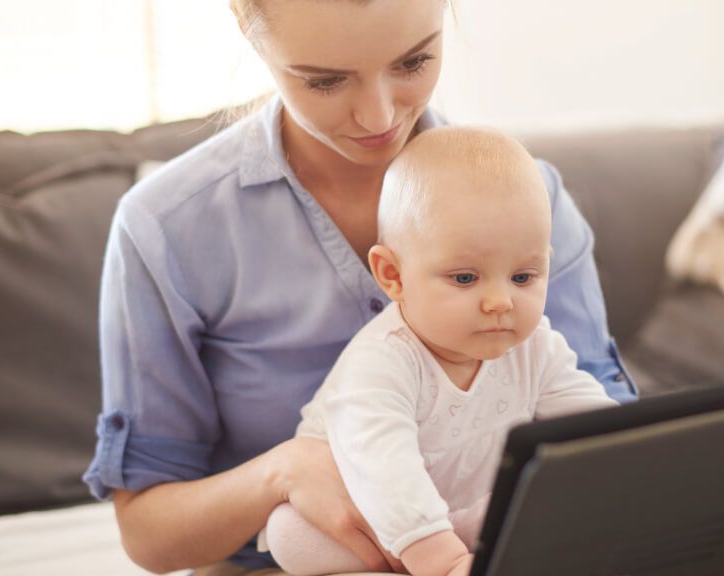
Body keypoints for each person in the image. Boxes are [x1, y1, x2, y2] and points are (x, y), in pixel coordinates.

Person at [83, 0, 636, 573]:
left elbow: (606, 443)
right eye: (324, 81)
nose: (378, 117)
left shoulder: (531, 204)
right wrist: (286, 470)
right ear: (247, 28)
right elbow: (151, 538)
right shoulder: (168, 228)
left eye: (414, 62)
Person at [261, 126, 619, 576]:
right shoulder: (383, 363)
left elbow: (596, 425)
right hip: (363, 511)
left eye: (524, 277)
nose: (500, 302)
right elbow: (384, 468)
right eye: (466, 278)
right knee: (292, 535)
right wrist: (442, 562)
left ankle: (469, 542)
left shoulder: (534, 346)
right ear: (393, 276)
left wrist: (634, 467)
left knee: (548, 491)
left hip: (464, 506)